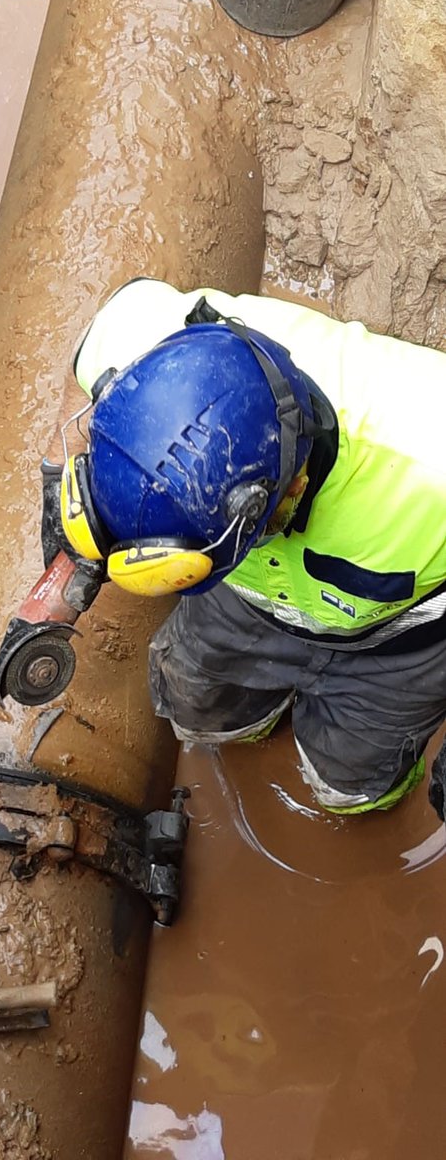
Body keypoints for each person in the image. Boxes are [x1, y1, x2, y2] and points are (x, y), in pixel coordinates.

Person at [44, 277, 446, 816]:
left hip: (401, 648)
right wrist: (64, 503)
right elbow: (100, 338)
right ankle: (262, 716)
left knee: (348, 792)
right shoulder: (160, 353)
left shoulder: (428, 456)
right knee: (195, 709)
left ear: (292, 490)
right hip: (250, 598)